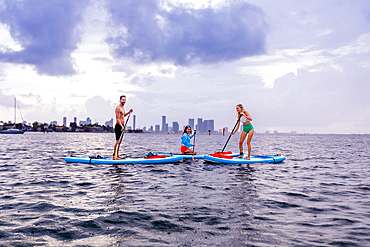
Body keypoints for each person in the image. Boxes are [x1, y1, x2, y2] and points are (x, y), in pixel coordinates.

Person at [113, 95, 133, 160]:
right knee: (117, 141)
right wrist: (121, 126)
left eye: (125, 100)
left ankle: (117, 155)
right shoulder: (118, 108)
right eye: (123, 100)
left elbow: (123, 115)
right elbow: (118, 119)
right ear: (120, 100)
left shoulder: (123, 108)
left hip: (122, 126)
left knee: (120, 141)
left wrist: (129, 112)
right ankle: (114, 155)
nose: (124, 101)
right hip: (119, 126)